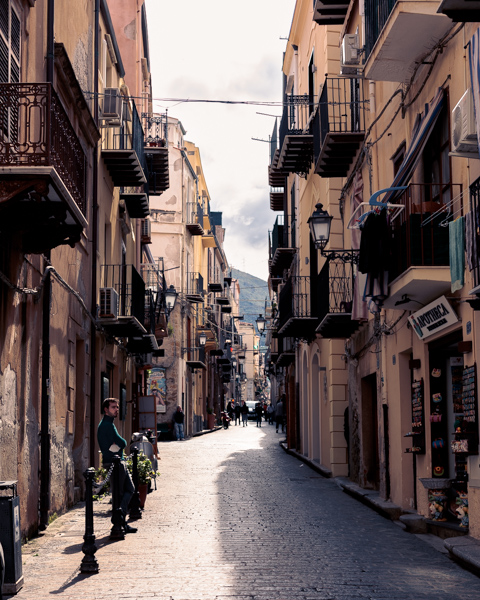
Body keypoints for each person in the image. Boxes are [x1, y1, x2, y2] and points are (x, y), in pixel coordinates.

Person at [97, 398, 137, 533]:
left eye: (117, 407)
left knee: (129, 489)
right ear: (106, 409)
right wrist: (118, 445)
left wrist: (117, 445)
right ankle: (119, 523)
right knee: (120, 493)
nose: (116, 409)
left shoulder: (109, 424)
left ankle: (121, 520)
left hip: (118, 461)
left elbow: (118, 444)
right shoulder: (106, 425)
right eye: (113, 407)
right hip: (115, 463)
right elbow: (123, 442)